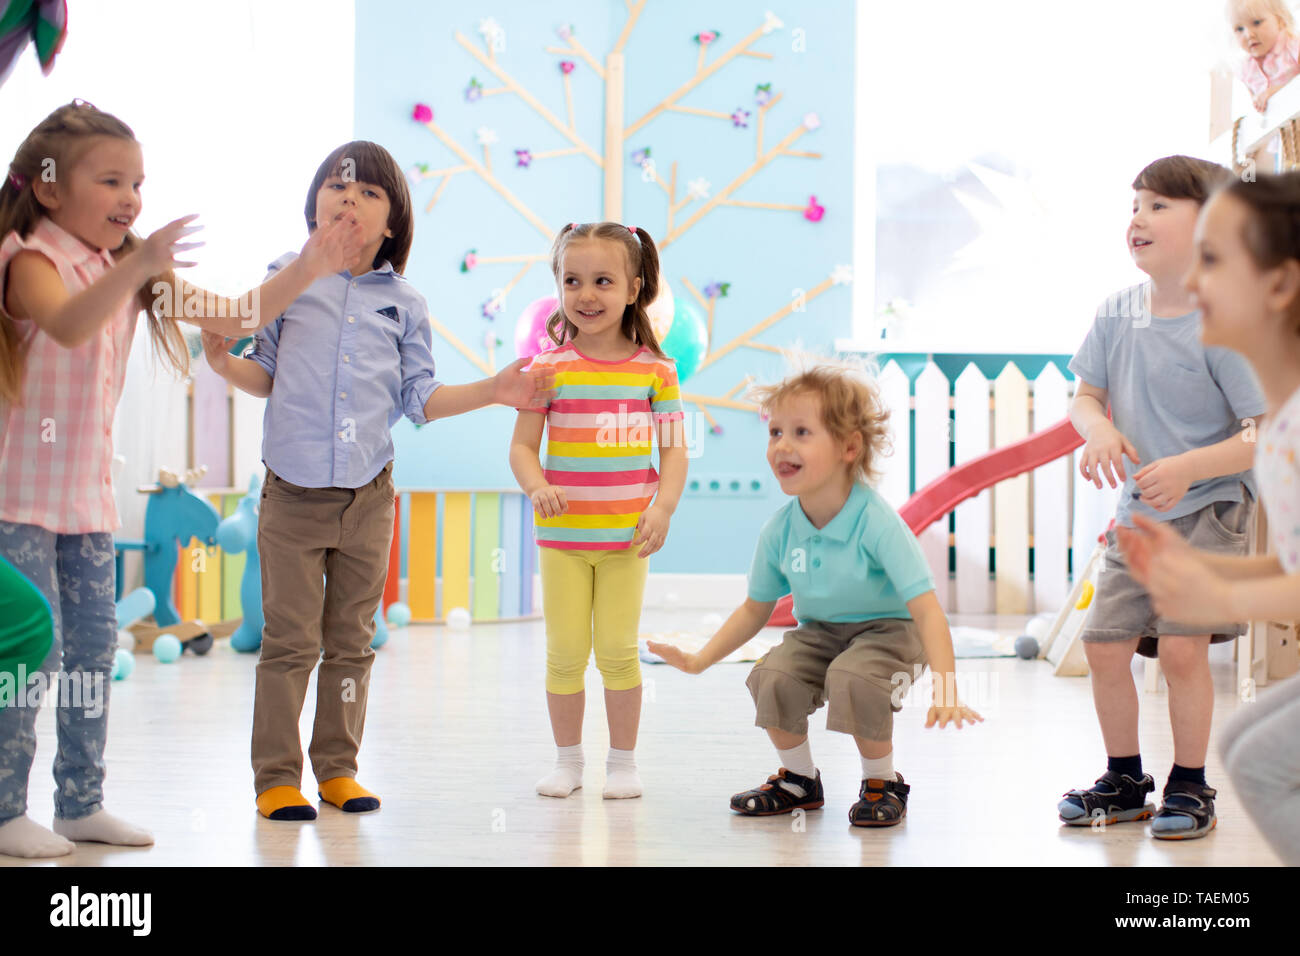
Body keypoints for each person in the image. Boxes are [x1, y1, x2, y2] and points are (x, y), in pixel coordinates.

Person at [0, 100, 361, 858]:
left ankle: (79, 803)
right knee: (32, 657)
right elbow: (65, 324)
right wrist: (138, 264)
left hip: (86, 504)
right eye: (112, 181)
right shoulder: (29, 258)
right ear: (51, 188)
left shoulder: (120, 269)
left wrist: (310, 265)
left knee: (94, 653)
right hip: (14, 502)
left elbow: (236, 311)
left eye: (139, 181)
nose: (132, 198)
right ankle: (4, 809)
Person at [205, 140, 551, 821]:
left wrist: (494, 389)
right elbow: (264, 373)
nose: (349, 199)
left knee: (351, 643)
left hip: (368, 496)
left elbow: (420, 398)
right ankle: (277, 777)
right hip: (293, 492)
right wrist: (223, 364)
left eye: (368, 192)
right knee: (289, 643)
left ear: (391, 221)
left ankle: (338, 768)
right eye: (337, 187)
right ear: (314, 207)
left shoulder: (406, 304)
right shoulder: (287, 278)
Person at [649, 361, 980, 826]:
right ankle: (799, 781)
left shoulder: (877, 522)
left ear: (849, 447)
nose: (782, 445)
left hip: (894, 631)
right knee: (774, 675)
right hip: (821, 631)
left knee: (855, 675)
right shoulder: (780, 530)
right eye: (775, 432)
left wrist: (946, 687)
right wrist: (701, 658)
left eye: (801, 432)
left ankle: (883, 782)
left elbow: (926, 611)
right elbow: (754, 609)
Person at [1059, 155, 1266, 840]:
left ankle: (1190, 783)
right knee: (1106, 645)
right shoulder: (1117, 312)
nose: (1137, 219)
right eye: (1135, 205)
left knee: (1182, 652)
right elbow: (1084, 394)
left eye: (1158, 206)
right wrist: (1098, 431)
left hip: (1210, 509)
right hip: (1139, 517)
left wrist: (1191, 468)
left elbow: (1266, 434)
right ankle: (1124, 779)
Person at [1118, 172, 1300, 863]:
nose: (1193, 279)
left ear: (1279, 287)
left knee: (1257, 765)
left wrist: (1223, 593)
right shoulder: (1280, 428)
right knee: (1239, 747)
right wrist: (1207, 570)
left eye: (1214, 260)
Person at [509, 222, 687, 800]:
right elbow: (520, 448)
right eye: (573, 280)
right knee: (564, 654)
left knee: (616, 650)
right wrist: (536, 486)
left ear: (634, 289)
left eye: (603, 281)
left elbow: (675, 451)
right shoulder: (548, 369)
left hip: (626, 539)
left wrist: (663, 508)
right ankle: (567, 762)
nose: (587, 294)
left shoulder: (658, 372)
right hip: (561, 537)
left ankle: (624, 764)